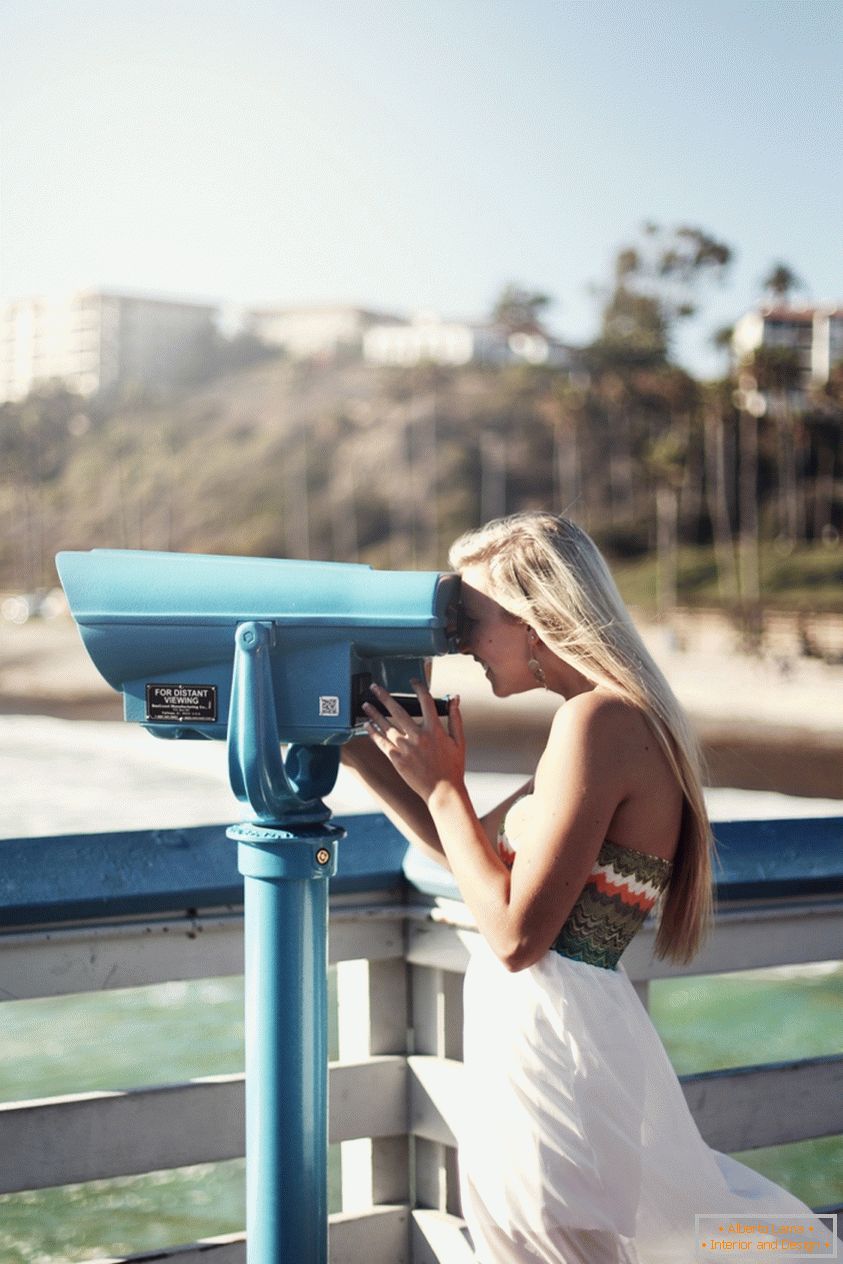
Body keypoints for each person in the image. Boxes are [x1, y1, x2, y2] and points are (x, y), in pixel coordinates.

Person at [341, 511, 826, 1263]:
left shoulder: (598, 722)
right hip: (561, 1035)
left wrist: (444, 788)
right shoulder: (604, 720)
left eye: (471, 621)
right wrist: (358, 738)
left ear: (534, 617)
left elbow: (513, 935)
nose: (459, 643)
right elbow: (456, 847)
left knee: (561, 1241)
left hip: (552, 1045)